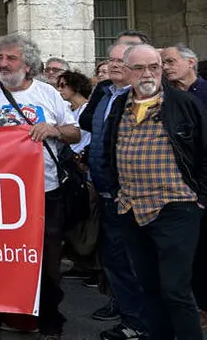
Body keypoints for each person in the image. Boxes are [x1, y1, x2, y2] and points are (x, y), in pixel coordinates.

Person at [0, 33, 80, 340]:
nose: (3, 63)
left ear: (27, 64)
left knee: (47, 260)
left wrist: (53, 129)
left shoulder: (48, 94)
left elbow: (74, 132)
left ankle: (50, 324)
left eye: (10, 58)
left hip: (45, 192)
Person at [104, 44, 207, 340]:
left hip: (177, 208)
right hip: (131, 208)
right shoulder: (120, 105)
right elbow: (109, 149)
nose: (147, 73)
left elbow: (204, 152)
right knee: (147, 286)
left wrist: (201, 198)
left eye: (154, 67)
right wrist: (114, 189)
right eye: (139, 68)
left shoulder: (183, 104)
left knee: (175, 290)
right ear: (126, 71)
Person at [79, 43, 150, 337]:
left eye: (123, 60)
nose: (115, 64)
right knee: (113, 257)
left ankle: (138, 323)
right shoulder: (105, 91)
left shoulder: (142, 97)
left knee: (133, 259)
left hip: (129, 192)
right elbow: (87, 123)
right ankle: (126, 309)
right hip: (104, 187)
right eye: (112, 59)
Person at [56, 71, 92, 155]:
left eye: (63, 86)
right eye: (58, 86)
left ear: (76, 86)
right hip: (67, 156)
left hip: (84, 157)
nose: (59, 89)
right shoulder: (66, 108)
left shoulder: (89, 109)